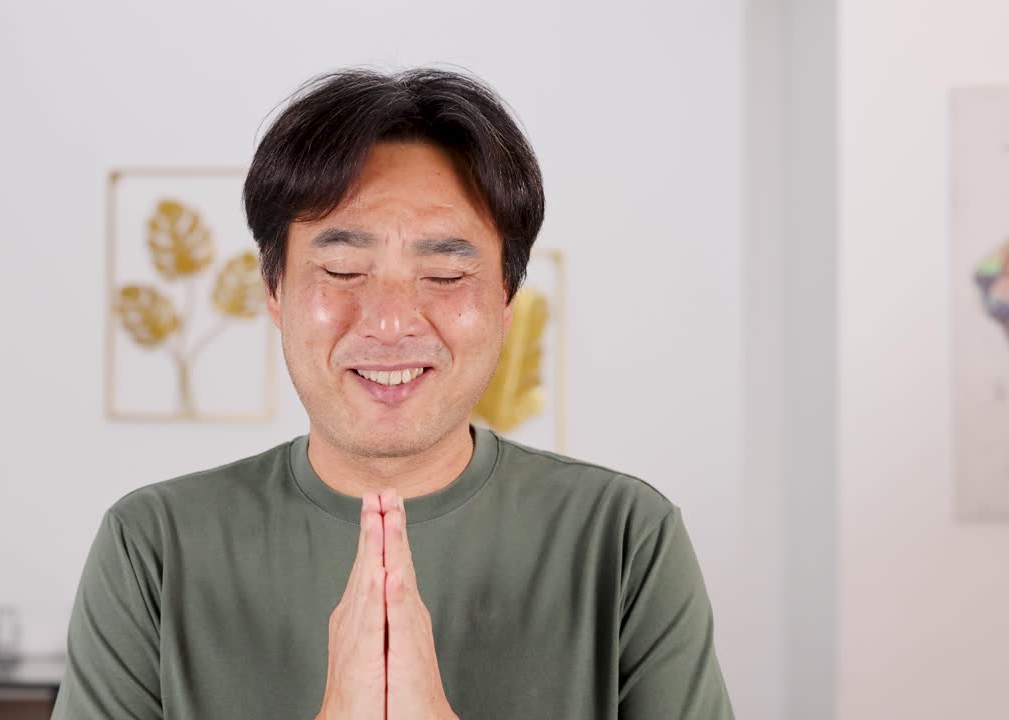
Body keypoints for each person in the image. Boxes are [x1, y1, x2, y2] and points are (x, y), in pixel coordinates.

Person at [50, 67, 734, 720]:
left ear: (505, 300)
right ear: (274, 289)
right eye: (343, 268)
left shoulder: (624, 538)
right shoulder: (153, 547)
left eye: (445, 275)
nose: (390, 322)